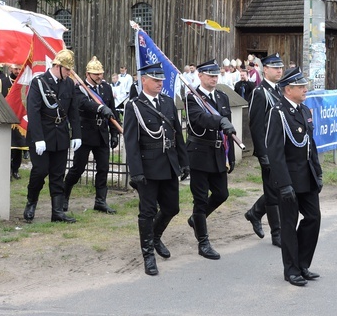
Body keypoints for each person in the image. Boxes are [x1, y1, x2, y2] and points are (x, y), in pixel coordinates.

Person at [124, 63, 190, 275]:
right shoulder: (134, 106)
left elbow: (177, 134)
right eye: (155, 80)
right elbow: (131, 142)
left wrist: (184, 161)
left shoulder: (168, 103)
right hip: (148, 166)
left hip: (169, 164)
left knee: (172, 208)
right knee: (147, 211)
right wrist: (136, 172)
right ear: (144, 80)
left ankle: (155, 236)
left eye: (161, 80)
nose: (160, 83)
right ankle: (148, 254)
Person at [266, 66, 322, 287]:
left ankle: (303, 263)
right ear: (288, 89)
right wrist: (284, 184)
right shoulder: (277, 113)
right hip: (288, 179)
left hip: (306, 176)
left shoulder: (304, 111)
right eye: (301, 86)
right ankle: (291, 270)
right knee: (288, 224)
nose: (305, 89)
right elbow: (274, 151)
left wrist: (317, 172)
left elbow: (311, 146)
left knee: (313, 218)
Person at [185, 58, 236, 260]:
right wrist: (220, 120)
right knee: (199, 199)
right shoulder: (192, 98)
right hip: (199, 154)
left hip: (218, 154)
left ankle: (197, 220)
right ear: (200, 76)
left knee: (221, 194)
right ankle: (203, 242)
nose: (214, 79)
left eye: (216, 75)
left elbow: (229, 130)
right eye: (210, 75)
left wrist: (230, 156)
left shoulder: (222, 97)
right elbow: (201, 119)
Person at [23, 49, 81, 224]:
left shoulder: (69, 84)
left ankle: (57, 212)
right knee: (40, 171)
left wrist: (76, 134)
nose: (69, 73)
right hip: (41, 134)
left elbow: (73, 111)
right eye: (67, 69)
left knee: (58, 174)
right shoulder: (39, 82)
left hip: (60, 135)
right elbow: (33, 111)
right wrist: (38, 138)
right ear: (57, 66)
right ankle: (31, 203)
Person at [63, 56, 120, 214]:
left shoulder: (106, 88)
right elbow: (83, 103)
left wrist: (114, 133)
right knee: (78, 168)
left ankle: (100, 201)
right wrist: (100, 109)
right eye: (96, 74)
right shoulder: (79, 88)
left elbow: (112, 111)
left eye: (101, 73)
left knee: (103, 168)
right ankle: (64, 196)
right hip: (85, 133)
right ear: (88, 74)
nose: (100, 77)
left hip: (102, 133)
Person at [244, 53, 284, 247]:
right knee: (272, 189)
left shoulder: (280, 91)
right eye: (275, 67)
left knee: (279, 187)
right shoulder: (259, 93)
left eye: (280, 67)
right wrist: (263, 154)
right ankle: (277, 233)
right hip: (268, 149)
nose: (279, 70)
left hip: (281, 149)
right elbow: (256, 126)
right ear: (265, 69)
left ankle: (256, 212)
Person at [8, 64, 25, 180]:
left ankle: (15, 170)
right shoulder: (4, 81)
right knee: (8, 148)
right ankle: (7, 170)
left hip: (19, 119)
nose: (17, 71)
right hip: (7, 118)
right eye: (15, 69)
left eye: (19, 69)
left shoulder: (25, 82)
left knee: (19, 147)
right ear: (10, 69)